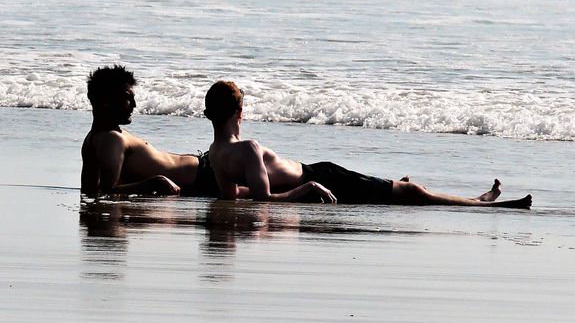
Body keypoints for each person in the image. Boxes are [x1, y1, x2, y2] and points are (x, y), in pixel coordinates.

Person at [204, 80, 533, 208]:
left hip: (318, 177)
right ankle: (484, 204)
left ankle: (473, 199)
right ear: (239, 112)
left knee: (393, 190)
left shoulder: (216, 154)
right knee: (411, 193)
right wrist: (307, 189)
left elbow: (232, 196)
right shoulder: (247, 148)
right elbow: (264, 200)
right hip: (320, 176)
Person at [81, 65, 219, 197]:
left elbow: (90, 189)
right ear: (105, 100)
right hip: (205, 177)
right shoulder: (111, 139)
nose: (134, 105)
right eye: (127, 97)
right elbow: (106, 190)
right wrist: (155, 183)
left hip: (206, 166)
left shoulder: (94, 138)